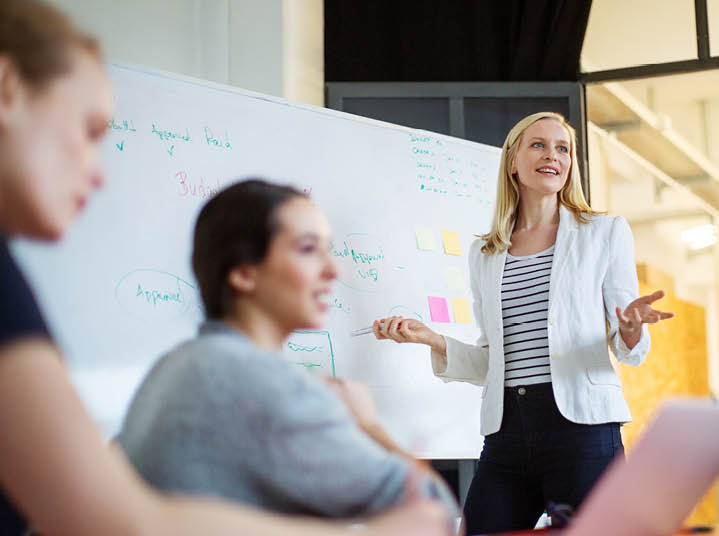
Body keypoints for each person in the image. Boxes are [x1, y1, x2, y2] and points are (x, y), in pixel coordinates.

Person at [0, 1, 450, 534]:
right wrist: (370, 430)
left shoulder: (178, 367)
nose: (98, 175)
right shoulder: (254, 380)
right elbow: (439, 513)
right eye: (90, 130)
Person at [373, 111, 673, 534]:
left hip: (583, 430)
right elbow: (492, 363)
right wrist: (434, 340)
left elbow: (630, 348)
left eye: (562, 148)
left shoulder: (603, 233)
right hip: (508, 430)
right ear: (512, 160)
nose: (552, 155)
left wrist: (629, 327)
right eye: (538, 144)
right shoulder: (486, 253)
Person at [118, 180, 458, 522]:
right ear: (243, 273)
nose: (333, 269)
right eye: (308, 249)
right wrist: (368, 425)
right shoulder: (267, 383)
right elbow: (434, 510)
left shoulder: (171, 369)